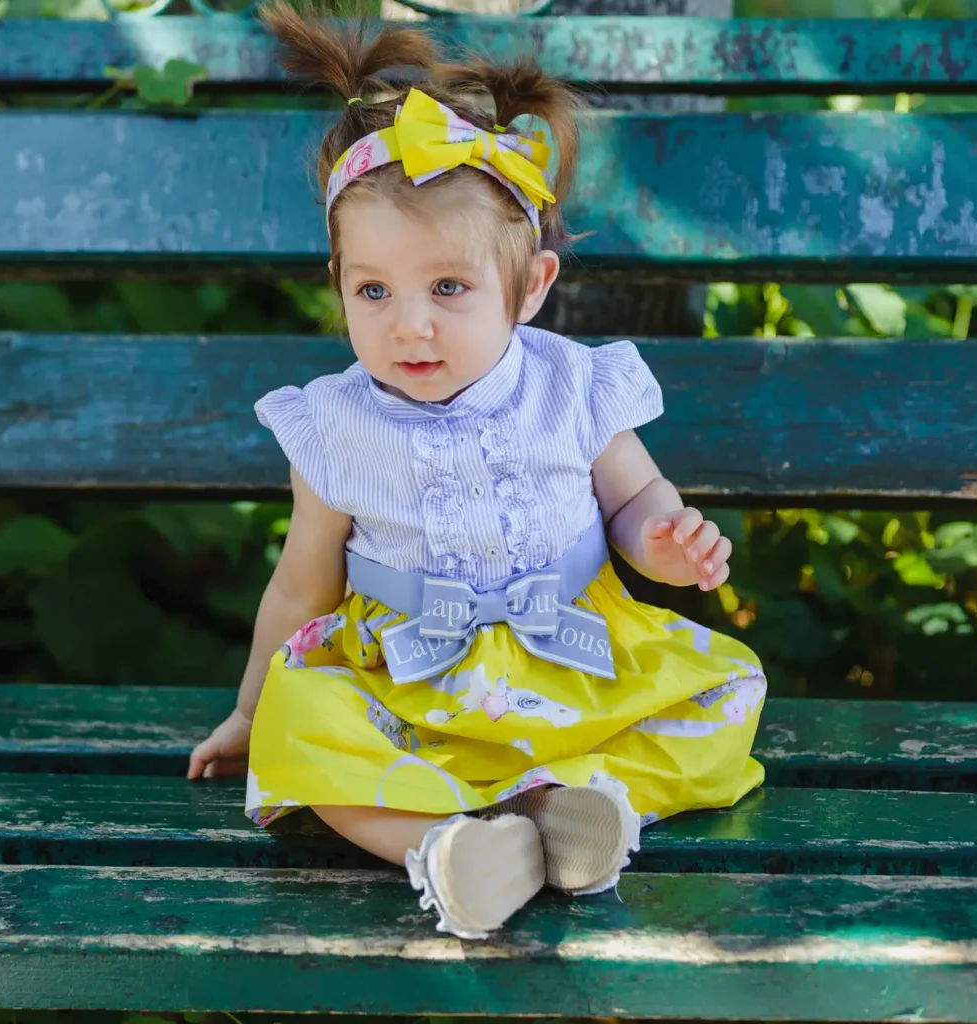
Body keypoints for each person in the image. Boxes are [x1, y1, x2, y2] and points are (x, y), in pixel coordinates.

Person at [187, 3, 766, 941]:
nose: (408, 324)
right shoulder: (335, 425)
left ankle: (573, 814)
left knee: (719, 696)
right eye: (373, 290)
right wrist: (254, 711)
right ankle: (446, 849)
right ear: (338, 281)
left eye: (448, 288)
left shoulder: (570, 388)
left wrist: (664, 540)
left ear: (530, 287)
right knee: (307, 728)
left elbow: (636, 501)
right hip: (407, 678)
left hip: (571, 658)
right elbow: (302, 584)